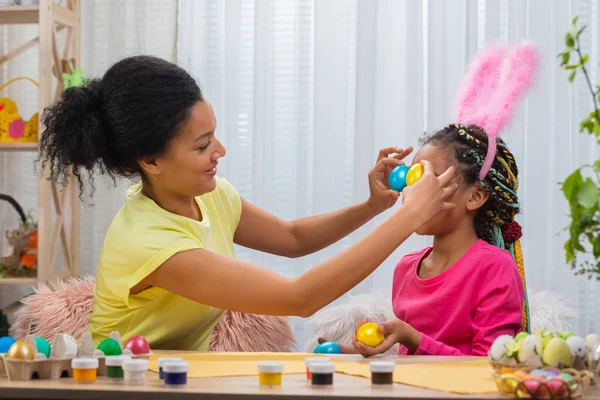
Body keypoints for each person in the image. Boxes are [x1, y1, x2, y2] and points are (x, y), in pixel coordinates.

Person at [36, 55, 457, 350]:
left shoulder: (208, 194)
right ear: (151, 161)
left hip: (177, 372)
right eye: (202, 145)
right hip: (123, 383)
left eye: (214, 134)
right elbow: (299, 298)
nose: (220, 150)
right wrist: (409, 218)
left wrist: (371, 207)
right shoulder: (150, 243)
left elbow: (292, 238)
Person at [328, 125, 526, 357]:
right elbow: (412, 363)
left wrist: (412, 338)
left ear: (475, 196)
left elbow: (487, 365)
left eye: (426, 180)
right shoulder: (406, 268)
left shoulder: (494, 267)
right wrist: (354, 353)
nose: (411, 193)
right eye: (411, 180)